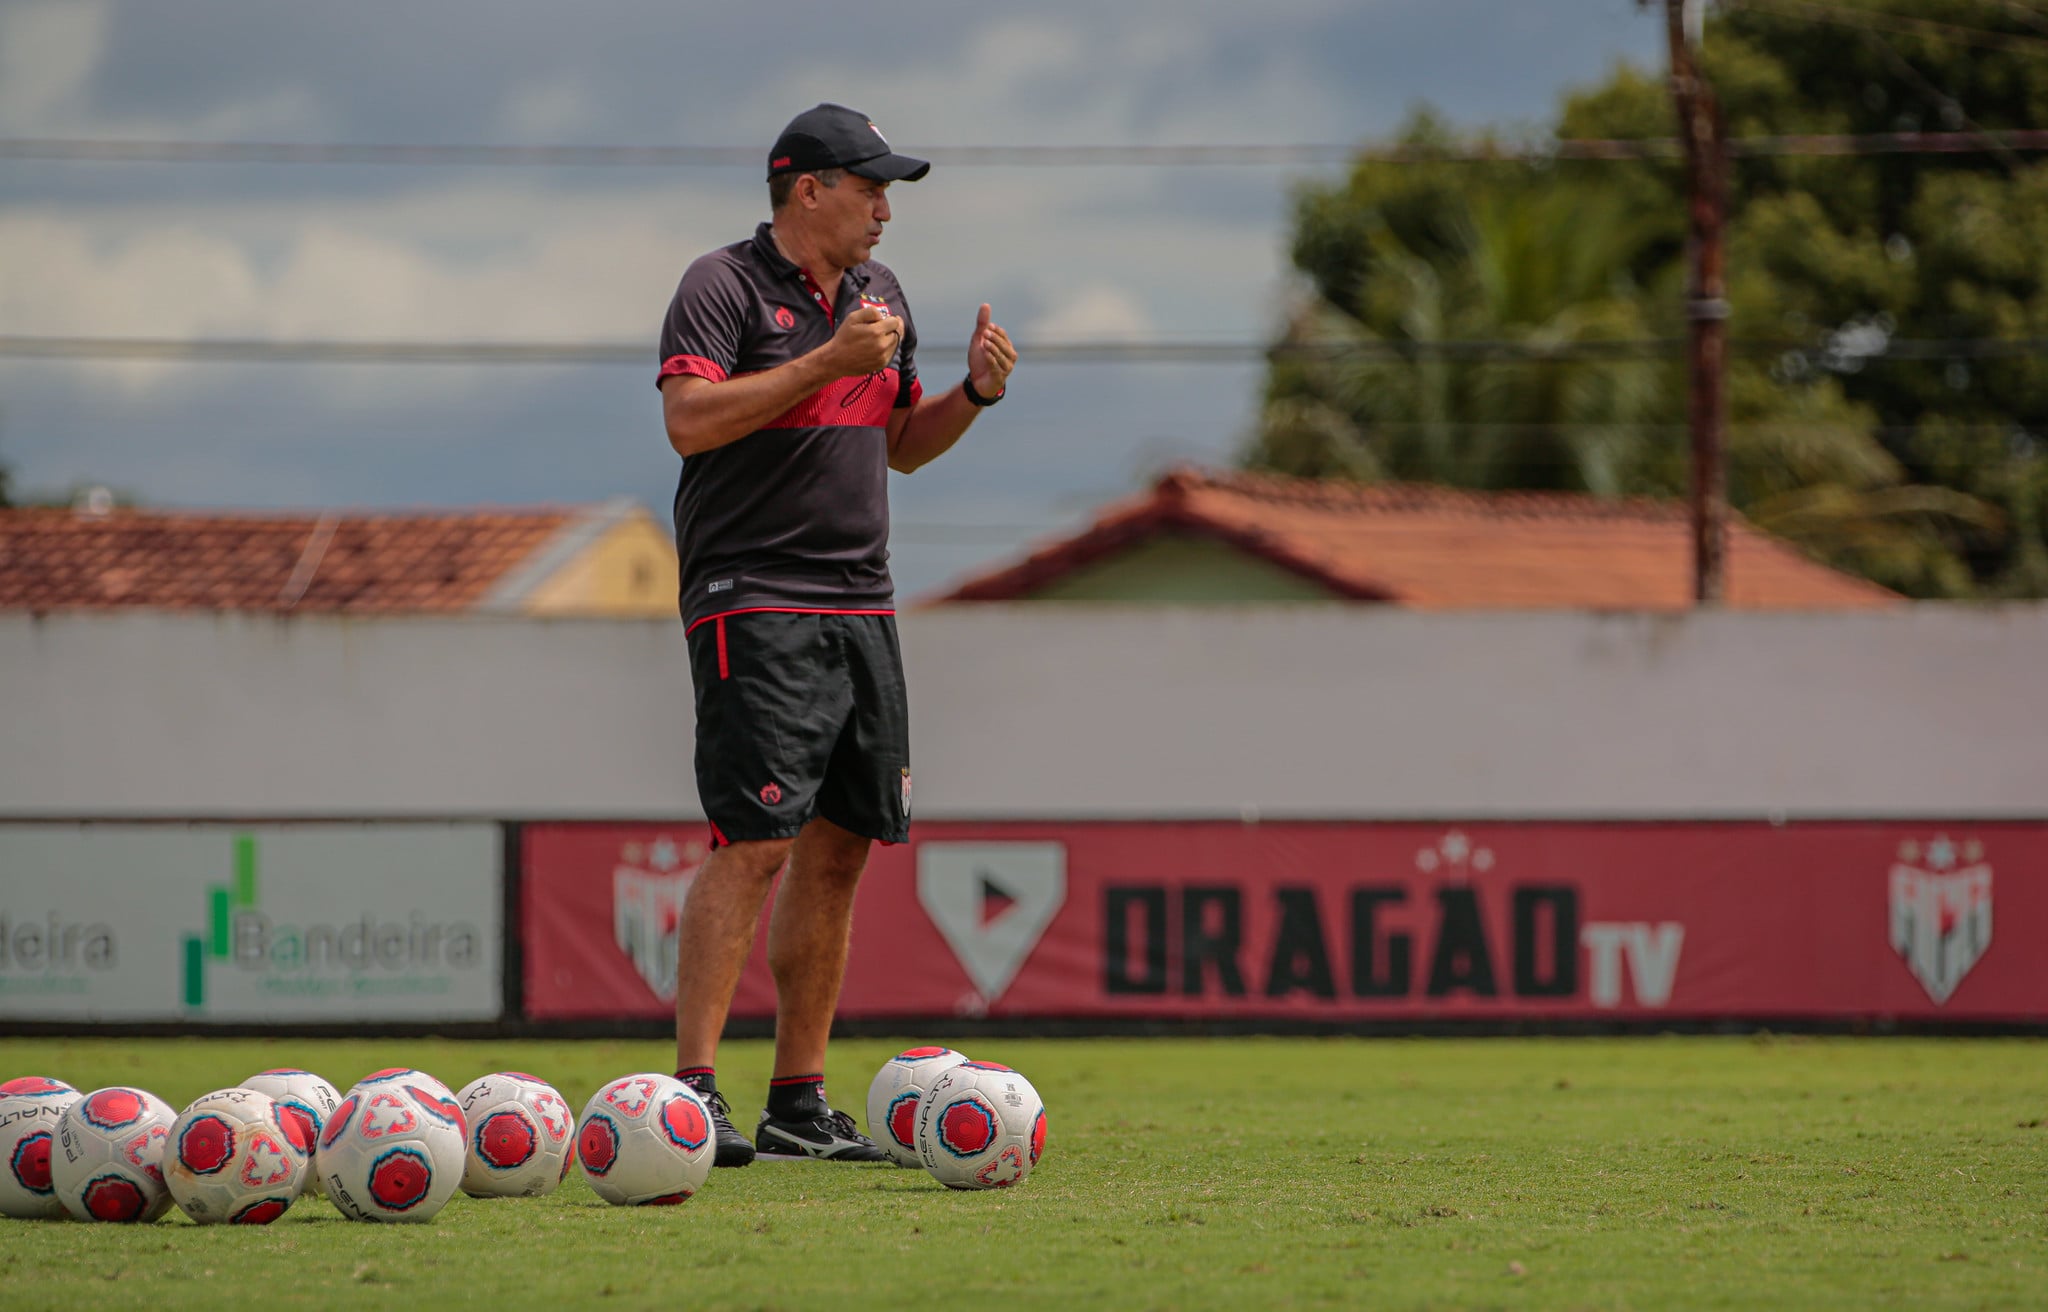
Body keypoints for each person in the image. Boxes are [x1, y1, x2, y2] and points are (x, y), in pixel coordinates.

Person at [654, 103, 1016, 1165]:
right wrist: (822, 362)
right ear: (805, 188)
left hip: (863, 600)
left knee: (840, 849)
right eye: (869, 187)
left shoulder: (881, 298)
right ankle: (692, 1095)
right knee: (754, 839)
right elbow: (688, 421)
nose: (884, 209)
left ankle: (796, 1101)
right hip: (753, 593)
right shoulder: (718, 286)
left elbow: (900, 445)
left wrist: (975, 396)